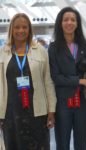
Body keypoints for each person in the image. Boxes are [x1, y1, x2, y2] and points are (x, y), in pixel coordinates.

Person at [0, 13, 57, 150]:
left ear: (29, 29)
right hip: (10, 113)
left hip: (37, 112)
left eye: (24, 27)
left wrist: (51, 110)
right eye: (17, 27)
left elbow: (48, 81)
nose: (21, 31)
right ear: (11, 30)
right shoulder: (3, 52)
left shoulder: (41, 51)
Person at [48, 7, 86, 150]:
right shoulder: (53, 48)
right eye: (66, 19)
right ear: (60, 23)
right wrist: (82, 81)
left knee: (81, 145)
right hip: (63, 104)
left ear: (77, 23)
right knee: (62, 145)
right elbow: (56, 78)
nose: (69, 22)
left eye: (73, 19)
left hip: (84, 102)